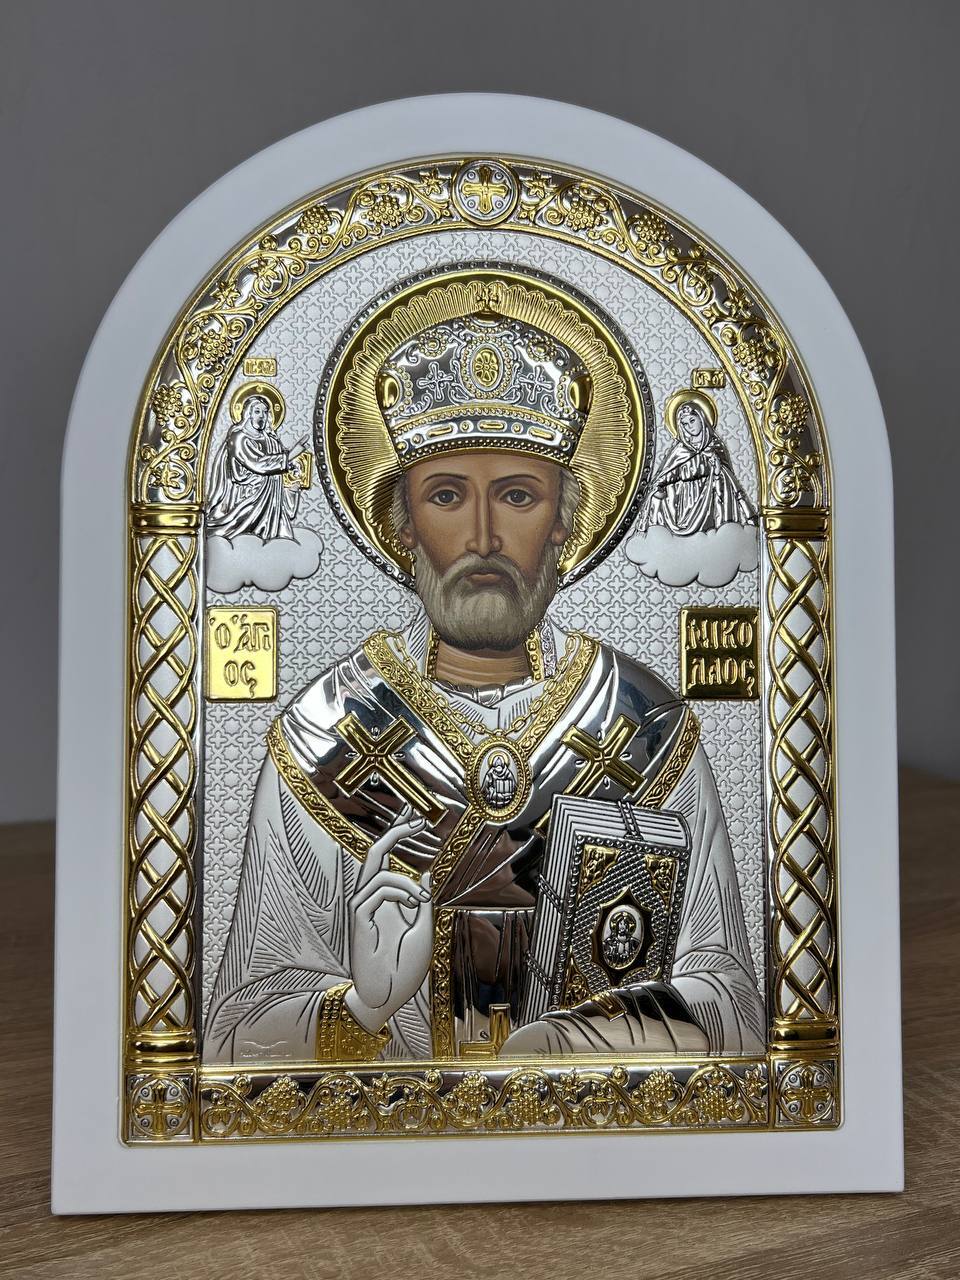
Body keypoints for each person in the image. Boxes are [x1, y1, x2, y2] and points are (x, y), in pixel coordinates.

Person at [205, 275, 764, 1065]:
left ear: (566, 521)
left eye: (517, 496)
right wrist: (363, 1006)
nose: (483, 538)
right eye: (445, 495)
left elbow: (733, 1003)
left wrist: (568, 1045)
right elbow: (235, 1036)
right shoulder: (324, 737)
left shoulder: (647, 727)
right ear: (401, 525)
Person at [643, 395, 756, 534]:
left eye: (692, 420)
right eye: (685, 424)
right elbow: (669, 474)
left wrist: (717, 472)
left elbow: (729, 480)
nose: (690, 427)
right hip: (684, 504)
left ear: (701, 418)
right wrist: (658, 485)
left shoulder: (715, 447)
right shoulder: (680, 451)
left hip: (709, 501)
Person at [206, 394, 305, 539]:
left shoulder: (271, 440)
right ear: (248, 414)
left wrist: (293, 469)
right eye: (257, 411)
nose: (262, 416)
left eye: (265, 412)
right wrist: (289, 455)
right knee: (242, 540)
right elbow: (258, 463)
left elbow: (277, 469)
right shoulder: (238, 438)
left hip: (271, 500)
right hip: (246, 499)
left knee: (281, 542)